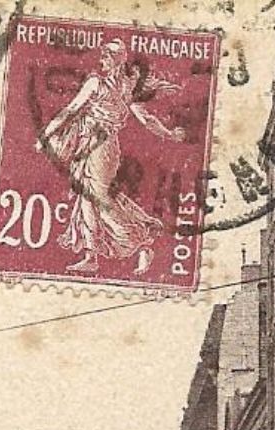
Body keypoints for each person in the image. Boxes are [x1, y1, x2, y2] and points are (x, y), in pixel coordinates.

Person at [38, 38, 187, 275]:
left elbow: (71, 109)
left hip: (100, 146)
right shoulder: (125, 88)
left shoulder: (98, 84)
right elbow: (146, 119)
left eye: (105, 57)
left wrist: (46, 133)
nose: (101, 61)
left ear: (114, 60)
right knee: (88, 195)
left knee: (96, 195)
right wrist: (169, 134)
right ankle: (92, 255)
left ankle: (139, 242)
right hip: (94, 146)